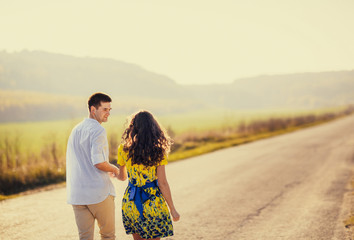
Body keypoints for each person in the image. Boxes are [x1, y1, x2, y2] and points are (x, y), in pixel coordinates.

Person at [115, 110, 180, 240]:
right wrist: (172, 209)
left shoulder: (123, 149)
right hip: (152, 202)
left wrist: (114, 172)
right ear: (153, 128)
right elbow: (162, 183)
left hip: (131, 201)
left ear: (133, 128)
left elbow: (122, 177)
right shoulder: (158, 151)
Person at [66, 92, 120, 240]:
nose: (108, 113)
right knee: (108, 236)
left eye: (110, 109)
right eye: (104, 109)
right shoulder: (98, 130)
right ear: (92, 109)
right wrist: (114, 168)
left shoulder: (76, 129)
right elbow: (98, 162)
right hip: (98, 193)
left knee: (84, 237)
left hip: (77, 195)